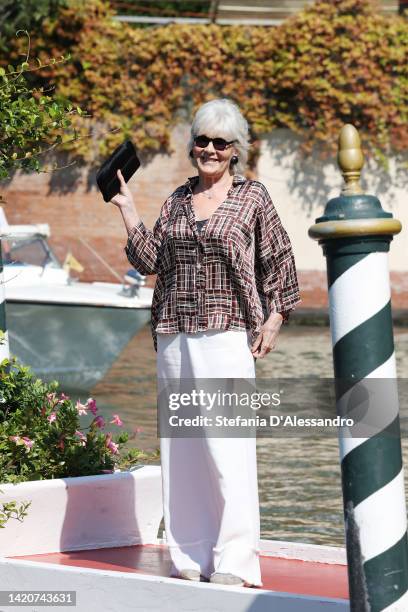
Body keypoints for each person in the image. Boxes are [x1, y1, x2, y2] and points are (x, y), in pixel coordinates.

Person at [110, 98, 301, 588]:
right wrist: (127, 207)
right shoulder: (175, 199)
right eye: (202, 140)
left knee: (227, 448)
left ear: (235, 150)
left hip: (226, 332)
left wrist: (274, 318)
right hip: (173, 332)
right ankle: (189, 553)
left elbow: (280, 262)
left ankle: (235, 560)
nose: (210, 150)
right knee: (182, 448)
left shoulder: (252, 198)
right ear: (192, 144)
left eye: (221, 143)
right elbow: (149, 259)